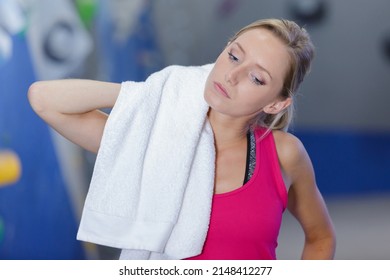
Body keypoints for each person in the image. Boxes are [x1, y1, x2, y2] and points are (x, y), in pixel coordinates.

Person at [28, 18, 336, 260]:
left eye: (257, 78)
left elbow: (321, 238)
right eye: (233, 56)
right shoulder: (149, 137)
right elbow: (44, 99)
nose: (231, 76)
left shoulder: (284, 154)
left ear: (275, 104)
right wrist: (147, 97)